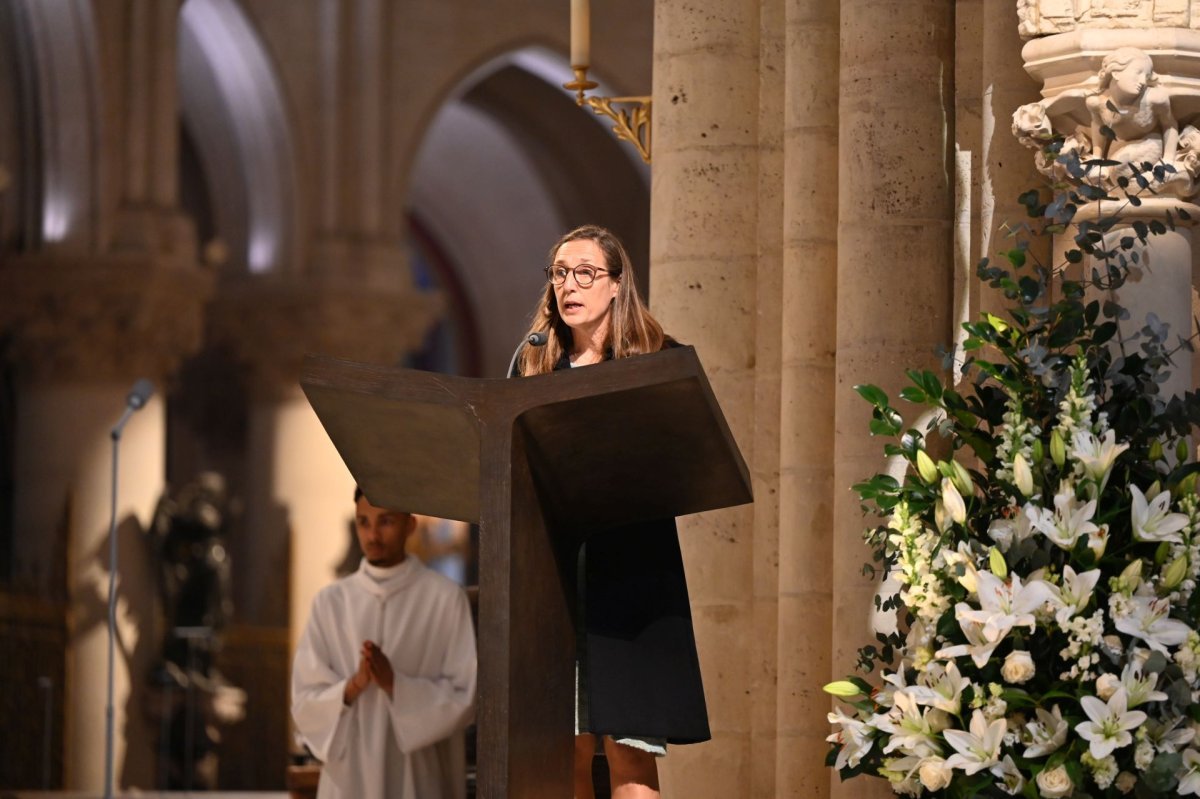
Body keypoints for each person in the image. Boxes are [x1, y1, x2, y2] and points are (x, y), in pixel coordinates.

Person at [514, 224, 710, 799]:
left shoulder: (657, 362)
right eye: (558, 274)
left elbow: (686, 456)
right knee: (562, 756)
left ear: (617, 285)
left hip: (632, 578)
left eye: (585, 273)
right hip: (556, 580)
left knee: (630, 759)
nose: (568, 286)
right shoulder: (533, 371)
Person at [291, 487, 477, 799]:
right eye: (363, 522)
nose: (372, 534)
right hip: (347, 781)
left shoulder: (444, 599)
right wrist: (352, 687)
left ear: (410, 525)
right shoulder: (330, 603)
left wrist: (395, 685)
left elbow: (464, 696)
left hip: (417, 778)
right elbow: (304, 700)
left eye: (385, 522)